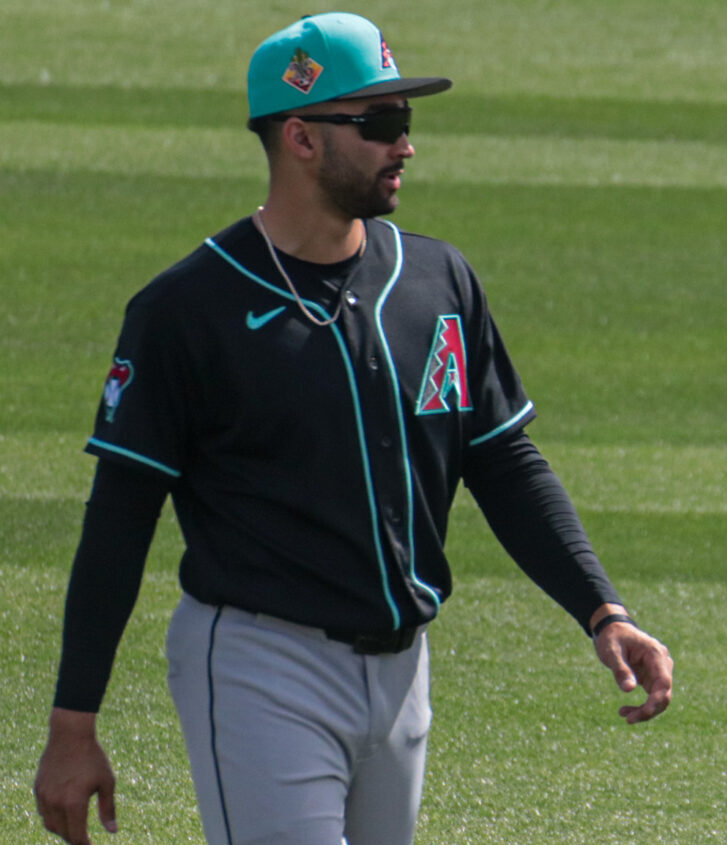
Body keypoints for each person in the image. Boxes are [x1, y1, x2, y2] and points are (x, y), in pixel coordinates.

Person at [32, 12, 672, 845]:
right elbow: (119, 518)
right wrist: (73, 724)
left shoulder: (438, 279)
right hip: (262, 667)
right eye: (381, 122)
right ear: (300, 138)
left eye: (405, 119)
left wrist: (602, 609)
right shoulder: (188, 310)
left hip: (405, 670)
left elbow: (504, 460)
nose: (405, 144)